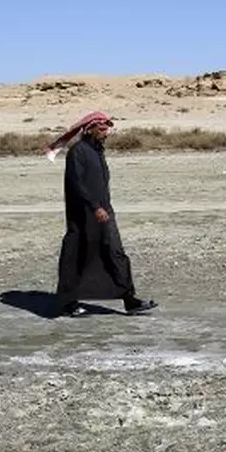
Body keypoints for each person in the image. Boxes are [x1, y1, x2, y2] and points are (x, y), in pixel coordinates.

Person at [51, 111, 156, 317]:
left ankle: (130, 299)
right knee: (79, 255)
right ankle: (69, 302)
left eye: (107, 129)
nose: (106, 133)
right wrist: (94, 206)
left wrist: (104, 207)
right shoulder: (77, 152)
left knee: (115, 253)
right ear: (89, 130)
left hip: (105, 212)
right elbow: (77, 184)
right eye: (101, 129)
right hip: (83, 216)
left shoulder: (97, 151)